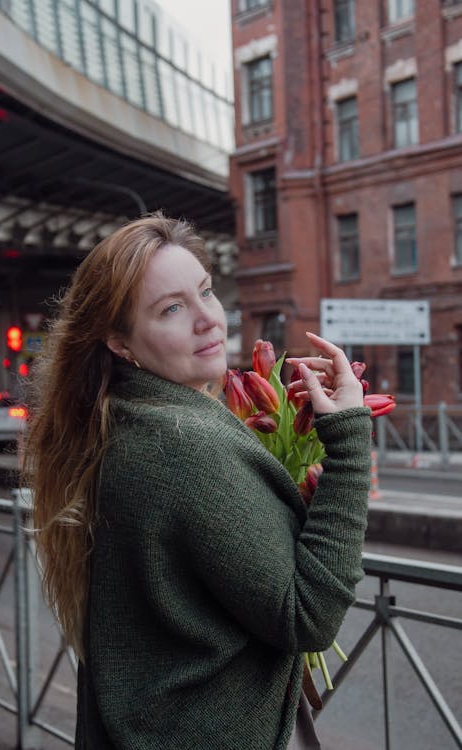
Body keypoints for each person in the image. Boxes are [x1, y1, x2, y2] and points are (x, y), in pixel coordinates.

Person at [24, 212, 371, 750]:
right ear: (120, 341)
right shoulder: (183, 445)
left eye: (206, 293)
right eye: (172, 309)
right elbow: (307, 616)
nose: (209, 319)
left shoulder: (119, 421)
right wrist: (348, 443)